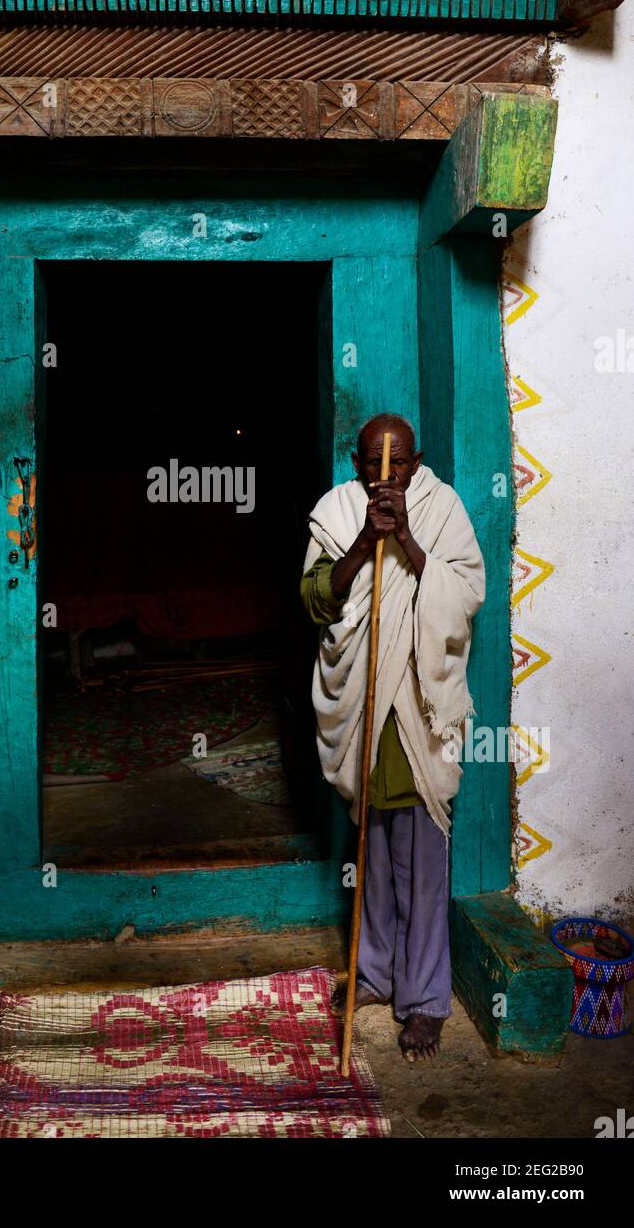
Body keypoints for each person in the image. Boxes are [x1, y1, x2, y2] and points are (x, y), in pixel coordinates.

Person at [300, 413, 485, 1061]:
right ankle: (374, 974)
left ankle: (425, 1000)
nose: (386, 475)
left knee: (422, 864)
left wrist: (404, 536)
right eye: (374, 463)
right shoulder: (337, 509)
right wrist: (361, 545)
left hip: (418, 708)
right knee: (370, 851)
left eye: (399, 463)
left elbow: (464, 596)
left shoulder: (441, 509)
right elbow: (316, 600)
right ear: (355, 463)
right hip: (363, 708)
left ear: (416, 460)